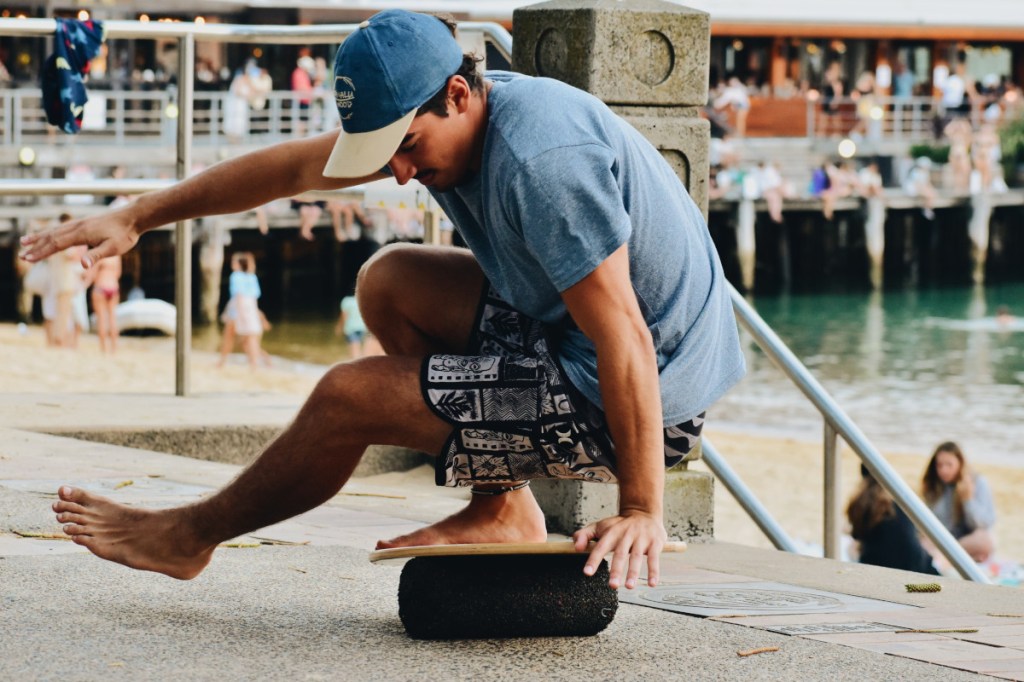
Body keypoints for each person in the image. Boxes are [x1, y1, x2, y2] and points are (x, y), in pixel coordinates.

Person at [22, 10, 745, 590]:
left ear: (459, 94)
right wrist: (139, 215)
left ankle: (187, 538)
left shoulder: (541, 163)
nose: (399, 174)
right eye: (384, 154)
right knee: (389, 279)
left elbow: (626, 334)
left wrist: (643, 510)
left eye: (407, 148)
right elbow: (293, 167)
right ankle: (500, 509)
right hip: (572, 339)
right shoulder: (462, 120)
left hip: (645, 399)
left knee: (349, 396)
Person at [846, 465, 938, 575]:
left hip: (879, 567)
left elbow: (856, 535)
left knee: (850, 549)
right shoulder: (898, 502)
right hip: (918, 566)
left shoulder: (861, 503)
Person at [921, 441, 996, 563]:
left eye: (949, 465)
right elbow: (930, 522)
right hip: (943, 540)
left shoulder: (978, 482)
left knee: (985, 540)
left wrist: (968, 500)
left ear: (960, 463)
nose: (944, 470)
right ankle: (951, 558)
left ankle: (948, 557)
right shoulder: (934, 485)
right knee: (922, 543)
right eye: (940, 465)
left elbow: (985, 524)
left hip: (967, 541)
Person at [217, 252, 269, 369]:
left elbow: (238, 295)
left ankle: (222, 362)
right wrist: (260, 316)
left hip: (237, 309)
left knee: (229, 337)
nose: (232, 263)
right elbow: (254, 299)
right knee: (250, 340)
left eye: (234, 261)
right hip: (250, 310)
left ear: (239, 264)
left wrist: (238, 314)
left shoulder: (235, 276)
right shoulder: (252, 277)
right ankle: (256, 364)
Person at [90, 254, 122, 353]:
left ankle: (103, 349)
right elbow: (118, 274)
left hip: (101, 286)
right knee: (113, 319)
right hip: (113, 287)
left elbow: (93, 275)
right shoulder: (116, 256)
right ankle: (114, 348)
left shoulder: (100, 255)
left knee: (102, 318)